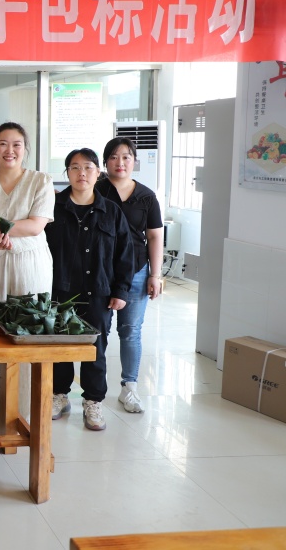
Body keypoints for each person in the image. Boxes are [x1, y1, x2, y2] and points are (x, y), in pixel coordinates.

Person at [0, 122, 54, 431]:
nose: (10, 150)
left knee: (28, 331)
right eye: (3, 144)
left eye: (17, 144)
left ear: (25, 149)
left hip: (30, 265)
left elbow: (36, 225)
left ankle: (26, 409)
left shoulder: (40, 181)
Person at [47, 148, 135, 431]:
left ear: (98, 173)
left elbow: (125, 254)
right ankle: (59, 395)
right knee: (59, 347)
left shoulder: (111, 211)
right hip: (60, 292)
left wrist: (120, 291)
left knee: (95, 349)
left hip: (98, 292)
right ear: (67, 173)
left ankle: (93, 401)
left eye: (87, 167)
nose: (81, 173)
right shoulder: (52, 207)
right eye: (74, 167)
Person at [98, 137, 164, 413]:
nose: (120, 162)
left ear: (134, 161)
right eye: (114, 157)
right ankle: (93, 391)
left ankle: (130, 388)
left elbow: (154, 236)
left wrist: (155, 275)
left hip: (136, 270)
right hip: (100, 271)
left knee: (130, 330)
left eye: (126, 156)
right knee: (97, 331)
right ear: (105, 162)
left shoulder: (146, 196)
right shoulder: (96, 190)